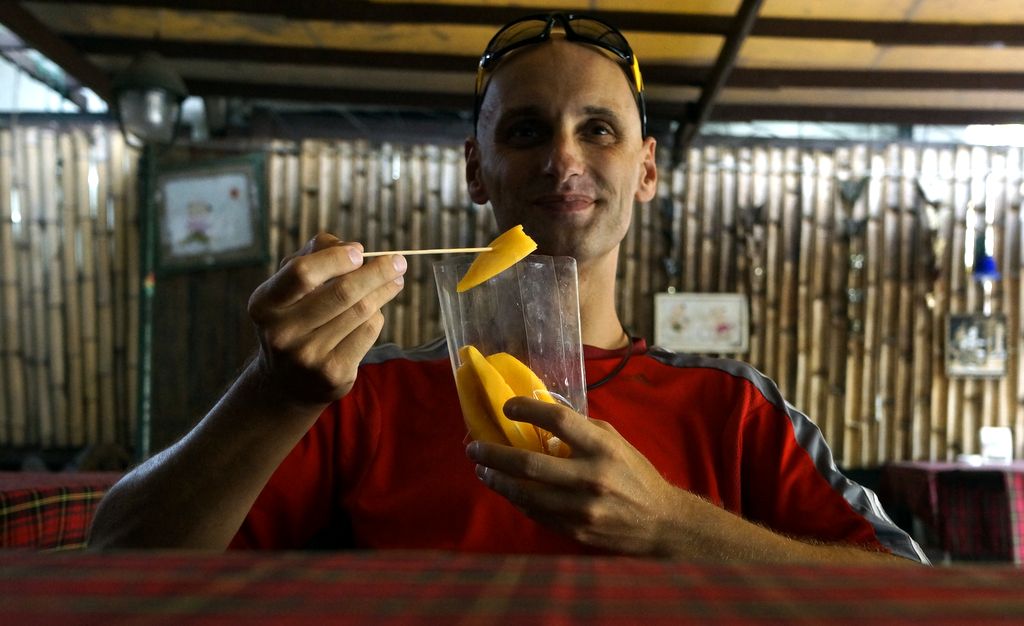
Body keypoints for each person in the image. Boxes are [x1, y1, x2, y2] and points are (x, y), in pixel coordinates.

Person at [89, 13, 926, 564]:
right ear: (476, 169)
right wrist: (270, 393)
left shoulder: (735, 410)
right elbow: (116, 567)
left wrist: (674, 524)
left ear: (645, 171)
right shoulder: (360, 398)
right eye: (526, 131)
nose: (563, 160)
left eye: (598, 130)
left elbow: (917, 596)